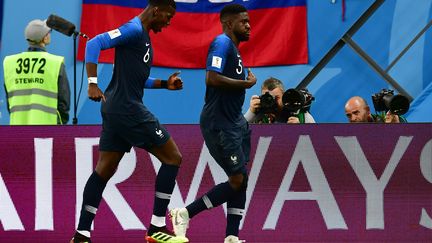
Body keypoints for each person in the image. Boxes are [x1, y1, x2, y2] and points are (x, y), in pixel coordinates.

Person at [70, 1, 188, 243]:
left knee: (103, 171)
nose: (169, 21)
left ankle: (81, 235)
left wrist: (165, 84)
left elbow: (138, 79)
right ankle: (156, 227)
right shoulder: (133, 29)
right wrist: (92, 82)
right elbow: (94, 43)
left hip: (115, 110)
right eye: (169, 15)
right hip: (127, 110)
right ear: (156, 10)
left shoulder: (141, 35)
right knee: (173, 157)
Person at [169, 4, 256, 243]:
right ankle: (185, 213)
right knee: (237, 180)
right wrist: (246, 85)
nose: (248, 26)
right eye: (243, 22)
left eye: (249, 21)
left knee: (241, 179)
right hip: (219, 124)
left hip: (235, 123)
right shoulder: (222, 43)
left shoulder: (234, 51)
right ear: (229, 24)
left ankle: (231, 237)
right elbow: (212, 77)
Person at [3, 19, 70, 125]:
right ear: (45, 37)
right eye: (49, 32)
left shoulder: (10, 62)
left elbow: (9, 102)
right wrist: (60, 124)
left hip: (17, 129)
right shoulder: (55, 63)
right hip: (47, 131)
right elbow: (64, 103)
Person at [244, 77, 315, 124]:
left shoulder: (300, 114)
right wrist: (251, 112)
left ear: (284, 96)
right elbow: (236, 131)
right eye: (268, 98)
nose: (273, 101)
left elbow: (318, 140)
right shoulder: (258, 114)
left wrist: (302, 129)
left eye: (276, 98)